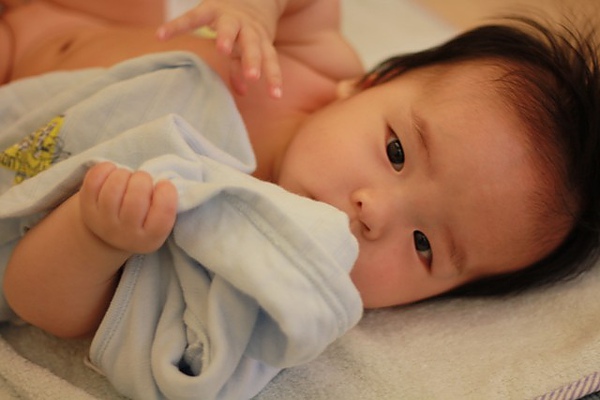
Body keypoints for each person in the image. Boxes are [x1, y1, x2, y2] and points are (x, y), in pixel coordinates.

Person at [1, 0, 599, 342]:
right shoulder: (318, 69)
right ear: (373, 82)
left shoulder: (238, 264)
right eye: (396, 152)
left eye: (424, 245)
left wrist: (97, 238)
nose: (374, 212)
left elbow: (37, 300)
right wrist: (256, 12)